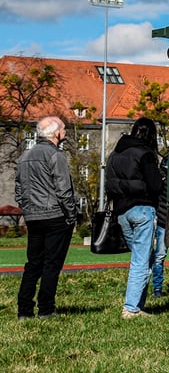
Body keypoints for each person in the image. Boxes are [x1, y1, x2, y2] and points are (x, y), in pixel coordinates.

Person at [15, 116, 76, 320]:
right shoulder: (55, 155)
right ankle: (46, 308)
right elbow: (64, 190)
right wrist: (71, 214)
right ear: (56, 133)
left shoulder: (24, 157)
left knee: (33, 263)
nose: (65, 132)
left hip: (33, 216)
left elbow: (18, 189)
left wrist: (27, 208)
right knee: (51, 264)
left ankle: (24, 309)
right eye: (64, 129)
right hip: (54, 215)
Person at [105, 117, 161, 319]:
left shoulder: (115, 154)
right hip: (142, 209)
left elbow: (110, 182)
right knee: (141, 259)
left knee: (143, 258)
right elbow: (155, 186)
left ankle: (138, 305)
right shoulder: (145, 154)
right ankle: (131, 308)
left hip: (122, 211)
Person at [150, 147, 169, 298]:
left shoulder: (163, 172)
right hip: (164, 219)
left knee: (161, 255)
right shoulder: (163, 174)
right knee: (160, 255)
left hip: (168, 218)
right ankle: (157, 288)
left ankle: (158, 287)